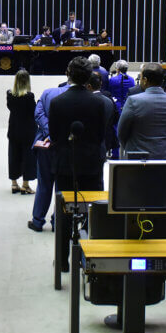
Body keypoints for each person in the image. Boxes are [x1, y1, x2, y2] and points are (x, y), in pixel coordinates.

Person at [48, 57, 107, 268]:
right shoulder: (99, 102)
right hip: (92, 165)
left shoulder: (57, 102)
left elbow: (54, 135)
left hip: (65, 164)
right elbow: (101, 135)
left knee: (64, 214)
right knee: (93, 212)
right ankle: (90, 260)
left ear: (68, 74)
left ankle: (62, 261)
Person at [27, 79, 70, 233]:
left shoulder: (47, 93)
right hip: (65, 147)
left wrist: (49, 133)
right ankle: (57, 222)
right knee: (61, 187)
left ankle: (37, 221)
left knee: (43, 184)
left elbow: (38, 113)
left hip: (45, 146)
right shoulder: (76, 96)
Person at [118, 62, 166, 160]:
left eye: (140, 77)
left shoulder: (133, 100)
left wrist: (130, 146)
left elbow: (121, 132)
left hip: (138, 159)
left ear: (145, 80)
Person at [6, 70, 37, 195]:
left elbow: (10, 108)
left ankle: (14, 183)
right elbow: (33, 112)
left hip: (14, 129)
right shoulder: (29, 96)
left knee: (13, 156)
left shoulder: (9, 94)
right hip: (28, 131)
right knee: (28, 158)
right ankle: (25, 185)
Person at [87, 71, 120, 158]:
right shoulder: (108, 100)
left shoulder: (86, 101)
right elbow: (116, 117)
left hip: (89, 143)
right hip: (106, 139)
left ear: (88, 85)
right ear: (100, 83)